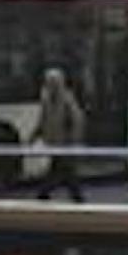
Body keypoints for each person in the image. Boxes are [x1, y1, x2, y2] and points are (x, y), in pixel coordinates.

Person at [33, 68, 86, 203]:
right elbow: (43, 120)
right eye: (49, 82)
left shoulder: (67, 99)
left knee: (60, 171)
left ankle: (43, 195)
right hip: (55, 143)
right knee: (65, 172)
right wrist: (35, 135)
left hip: (65, 144)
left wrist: (73, 140)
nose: (51, 86)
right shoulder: (46, 99)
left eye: (54, 83)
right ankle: (77, 198)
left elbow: (77, 120)